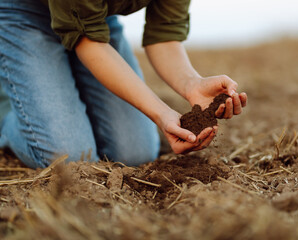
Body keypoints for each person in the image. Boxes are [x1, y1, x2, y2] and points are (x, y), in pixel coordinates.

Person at [0, 0, 247, 169]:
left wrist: (192, 84)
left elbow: (164, 35)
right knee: (68, 157)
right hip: (24, 15)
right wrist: (161, 114)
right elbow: (89, 44)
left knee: (134, 154)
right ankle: (9, 112)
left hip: (94, 20)